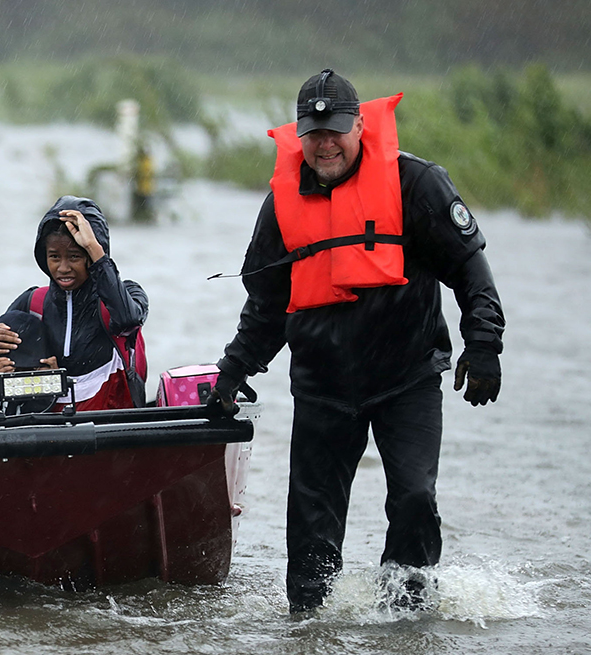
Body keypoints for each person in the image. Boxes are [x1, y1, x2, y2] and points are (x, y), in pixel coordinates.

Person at [210, 69, 505, 613]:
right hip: (322, 388)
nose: (325, 144)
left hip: (407, 379)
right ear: (299, 134)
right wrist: (234, 371)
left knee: (415, 498)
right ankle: (310, 630)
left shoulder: (416, 184)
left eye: (336, 131)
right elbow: (269, 304)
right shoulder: (282, 203)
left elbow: (470, 269)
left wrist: (483, 342)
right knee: (311, 541)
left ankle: (407, 615)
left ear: (360, 126)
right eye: (313, 133)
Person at [0, 196, 148, 410]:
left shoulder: (127, 295)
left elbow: (128, 320)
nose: (63, 268)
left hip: (110, 426)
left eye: (74, 257)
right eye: (54, 257)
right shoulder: (31, 303)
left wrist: (94, 247)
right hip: (50, 428)